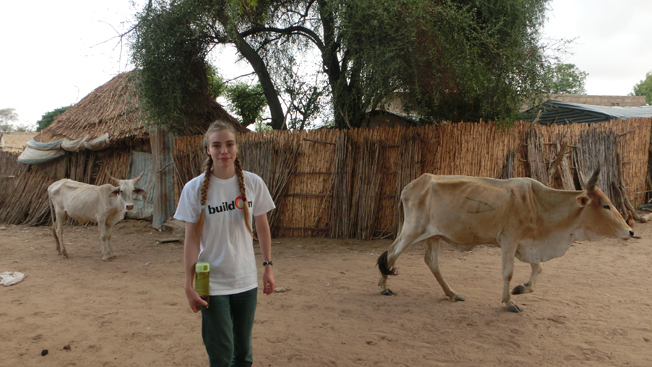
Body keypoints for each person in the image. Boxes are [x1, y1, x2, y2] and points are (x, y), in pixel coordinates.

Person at [174, 120, 276, 367]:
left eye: (229, 144)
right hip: (206, 276)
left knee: (243, 353)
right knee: (220, 352)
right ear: (208, 150)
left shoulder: (253, 183)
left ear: (237, 147)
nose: (224, 151)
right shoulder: (193, 188)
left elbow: (262, 227)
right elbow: (191, 239)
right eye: (216, 145)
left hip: (245, 276)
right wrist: (189, 284)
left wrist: (268, 266)